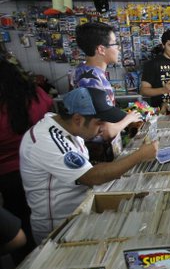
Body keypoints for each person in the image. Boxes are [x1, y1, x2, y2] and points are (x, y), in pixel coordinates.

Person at [20, 87, 158, 243]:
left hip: (80, 214)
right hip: (59, 230)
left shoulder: (68, 127)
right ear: (78, 119)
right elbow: (91, 176)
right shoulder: (46, 139)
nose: (104, 127)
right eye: (100, 122)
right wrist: (139, 156)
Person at [0, 55, 52, 259]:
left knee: (16, 222)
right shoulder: (35, 96)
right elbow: (48, 110)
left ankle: (25, 264)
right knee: (40, 213)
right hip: (42, 166)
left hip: (8, 177)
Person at [73, 22, 142, 149]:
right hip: (99, 151)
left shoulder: (84, 69)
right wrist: (128, 119)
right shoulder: (91, 80)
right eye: (115, 43)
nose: (119, 48)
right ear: (101, 49)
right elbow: (107, 132)